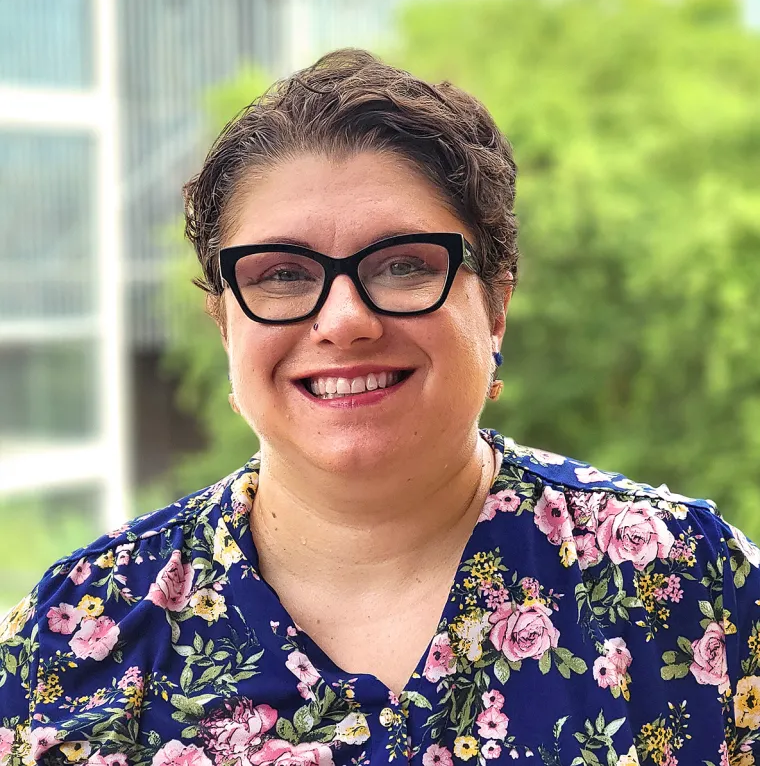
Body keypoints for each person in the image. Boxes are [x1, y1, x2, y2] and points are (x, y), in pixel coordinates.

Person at [1, 49, 759, 766]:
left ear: (495, 305)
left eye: (402, 265)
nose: (344, 320)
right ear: (226, 325)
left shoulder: (691, 585)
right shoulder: (80, 636)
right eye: (282, 273)